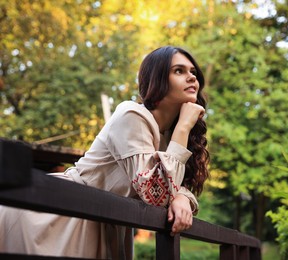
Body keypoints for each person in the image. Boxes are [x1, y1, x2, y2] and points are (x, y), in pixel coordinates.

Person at [0, 46, 210, 258]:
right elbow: (156, 193)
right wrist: (183, 126)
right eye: (179, 71)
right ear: (158, 80)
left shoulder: (171, 135)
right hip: (63, 214)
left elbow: (168, 187)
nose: (191, 77)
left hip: (105, 218)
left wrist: (183, 197)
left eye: (193, 71)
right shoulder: (132, 115)